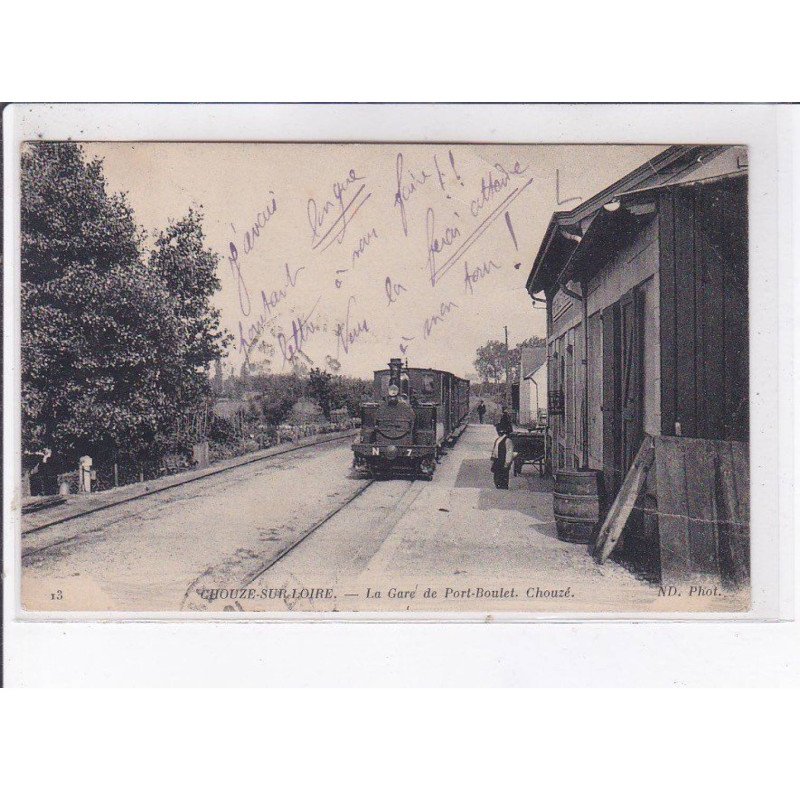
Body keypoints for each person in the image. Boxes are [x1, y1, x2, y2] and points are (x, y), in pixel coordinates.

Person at [491, 424, 514, 489]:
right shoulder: (498, 439)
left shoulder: (507, 440)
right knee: (497, 474)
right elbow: (495, 449)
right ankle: (498, 485)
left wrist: (507, 462)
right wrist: (493, 457)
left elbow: (509, 452)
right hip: (497, 459)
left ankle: (503, 486)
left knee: (503, 474)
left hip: (503, 460)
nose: (498, 432)